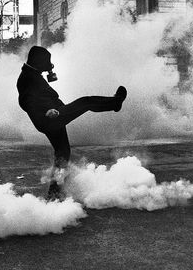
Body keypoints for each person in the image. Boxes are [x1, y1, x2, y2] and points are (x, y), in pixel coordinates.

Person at [17, 45, 127, 199]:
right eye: (47, 61)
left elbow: (40, 96)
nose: (49, 65)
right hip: (50, 118)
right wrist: (45, 113)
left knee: (62, 153)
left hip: (53, 115)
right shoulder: (27, 78)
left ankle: (54, 193)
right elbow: (26, 102)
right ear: (38, 61)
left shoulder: (33, 73)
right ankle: (115, 103)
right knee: (86, 102)